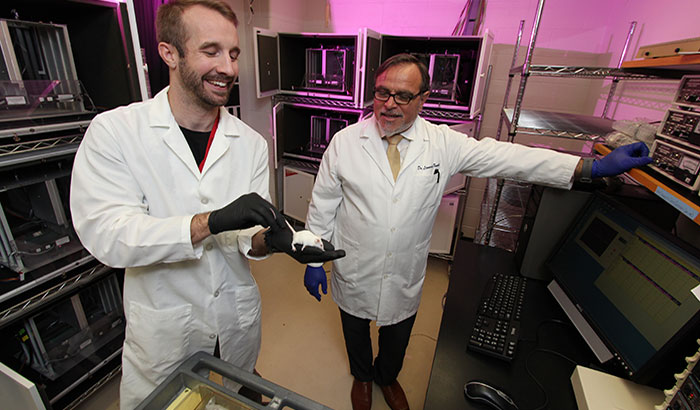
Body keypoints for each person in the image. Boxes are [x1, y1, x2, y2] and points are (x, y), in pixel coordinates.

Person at [303, 53, 652, 410]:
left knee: (397, 336)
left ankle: (386, 377)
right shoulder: (345, 143)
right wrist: (314, 258)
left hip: (403, 271)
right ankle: (362, 377)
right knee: (355, 327)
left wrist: (589, 168)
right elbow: (323, 202)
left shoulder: (443, 143)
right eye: (381, 93)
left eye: (403, 96)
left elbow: (509, 157)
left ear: (423, 99)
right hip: (355, 262)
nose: (389, 105)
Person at [69, 1, 343, 408]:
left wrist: (276, 241)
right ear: (170, 53)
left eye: (233, 53)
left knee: (232, 394)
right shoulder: (116, 132)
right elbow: (108, 236)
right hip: (165, 331)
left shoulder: (249, 143)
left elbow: (246, 237)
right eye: (211, 51)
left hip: (235, 322)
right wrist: (208, 222)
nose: (229, 68)